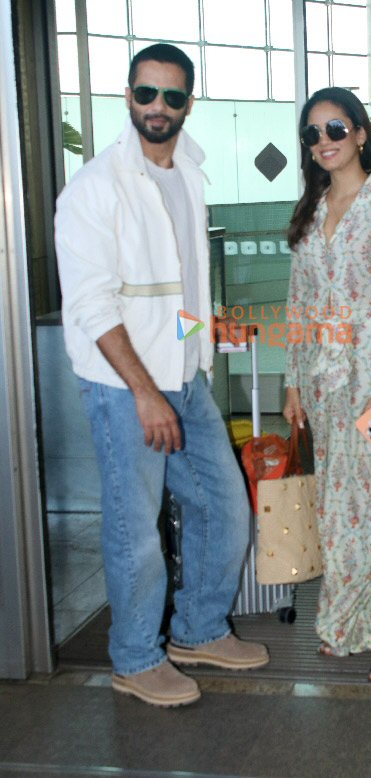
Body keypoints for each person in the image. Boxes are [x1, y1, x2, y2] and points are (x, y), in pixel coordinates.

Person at [54, 43, 268, 707]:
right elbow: (92, 304)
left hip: (184, 376)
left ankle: (198, 631)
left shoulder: (188, 173)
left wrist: (206, 330)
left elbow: (171, 296)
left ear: (188, 104)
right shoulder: (95, 187)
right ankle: (135, 657)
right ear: (127, 95)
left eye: (173, 97)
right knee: (133, 528)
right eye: (147, 94)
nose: (158, 108)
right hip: (126, 390)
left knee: (226, 507)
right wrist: (146, 394)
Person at [283, 87, 371, 683]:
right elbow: (299, 302)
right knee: (338, 509)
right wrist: (294, 382)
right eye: (313, 133)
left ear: (361, 135)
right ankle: (345, 620)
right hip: (324, 381)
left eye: (336, 129)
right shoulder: (311, 214)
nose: (324, 142)